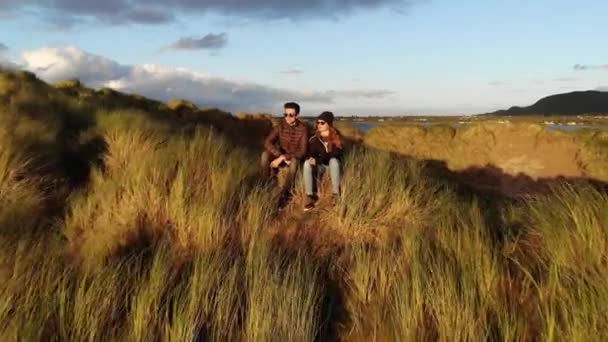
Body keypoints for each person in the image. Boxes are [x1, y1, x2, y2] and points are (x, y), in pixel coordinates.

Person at [261, 102, 308, 207]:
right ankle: (267, 183)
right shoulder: (280, 127)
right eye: (285, 114)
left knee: (295, 161)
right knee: (265, 155)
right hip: (280, 154)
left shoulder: (303, 129)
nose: (288, 117)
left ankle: (286, 193)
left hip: (294, 157)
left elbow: (302, 151)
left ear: (297, 115)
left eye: (291, 115)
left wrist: (285, 157)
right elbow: (267, 142)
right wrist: (279, 155)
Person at [302, 111, 343, 211]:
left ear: (329, 124)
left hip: (333, 168)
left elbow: (335, 154)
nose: (319, 125)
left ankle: (336, 194)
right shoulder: (314, 138)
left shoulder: (336, 137)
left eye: (322, 123)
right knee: (307, 163)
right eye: (318, 122)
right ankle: (310, 196)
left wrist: (319, 159)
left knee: (333, 160)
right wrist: (311, 158)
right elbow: (310, 153)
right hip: (321, 167)